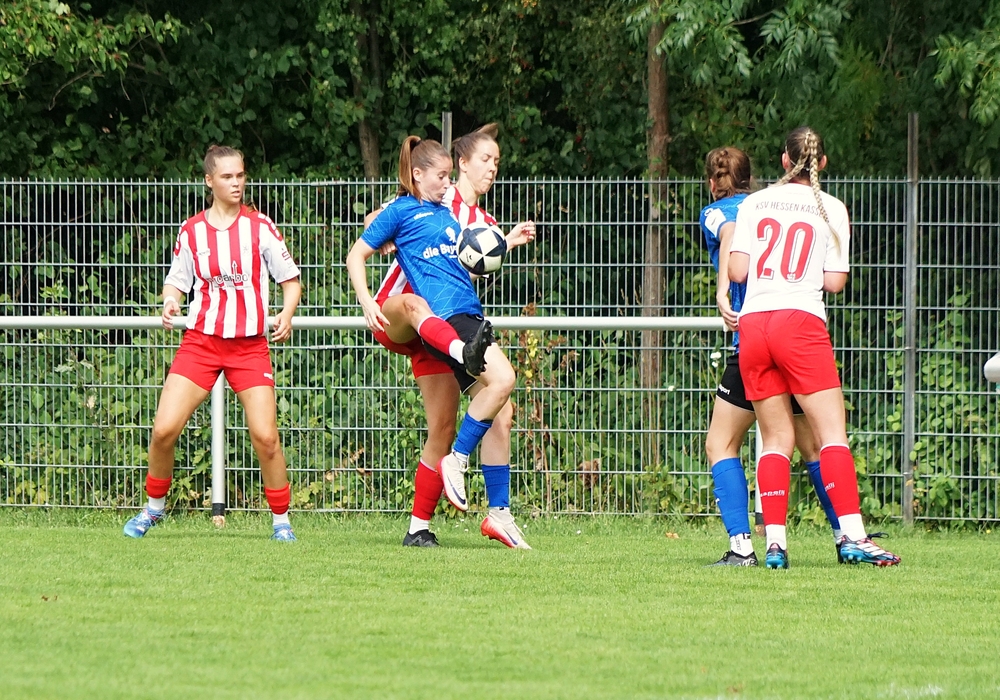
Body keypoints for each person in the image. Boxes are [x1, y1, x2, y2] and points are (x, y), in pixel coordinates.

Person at [346, 131, 534, 549]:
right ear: (461, 164)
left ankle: (459, 521)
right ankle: (459, 463)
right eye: (486, 159)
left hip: (442, 328)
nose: (492, 168)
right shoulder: (432, 200)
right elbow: (375, 222)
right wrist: (384, 236)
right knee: (421, 309)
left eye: (497, 161)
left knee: (484, 415)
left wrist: (506, 244)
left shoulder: (482, 225)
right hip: (404, 316)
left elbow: (464, 270)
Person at [728, 126, 900, 569]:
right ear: (821, 163)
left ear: (784, 160)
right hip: (799, 322)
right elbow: (835, 283)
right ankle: (855, 537)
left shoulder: (754, 203)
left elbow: (738, 271)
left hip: (754, 324)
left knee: (776, 439)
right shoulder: (832, 207)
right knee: (830, 436)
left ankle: (775, 546)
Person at [123, 145, 302, 541]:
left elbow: (291, 281)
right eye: (227, 177)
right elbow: (176, 282)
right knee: (163, 430)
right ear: (209, 181)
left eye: (240, 175)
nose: (236, 183)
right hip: (201, 343)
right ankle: (153, 510)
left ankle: (281, 522)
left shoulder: (260, 227)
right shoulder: (192, 231)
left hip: (249, 347)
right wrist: (170, 301)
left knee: (266, 438)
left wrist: (287, 313)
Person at [700, 146, 842, 567]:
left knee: (721, 443)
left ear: (711, 181)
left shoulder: (720, 211)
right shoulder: (773, 203)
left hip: (754, 339)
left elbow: (729, 235)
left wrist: (723, 291)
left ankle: (742, 547)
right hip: (795, 334)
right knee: (812, 445)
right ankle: (846, 535)